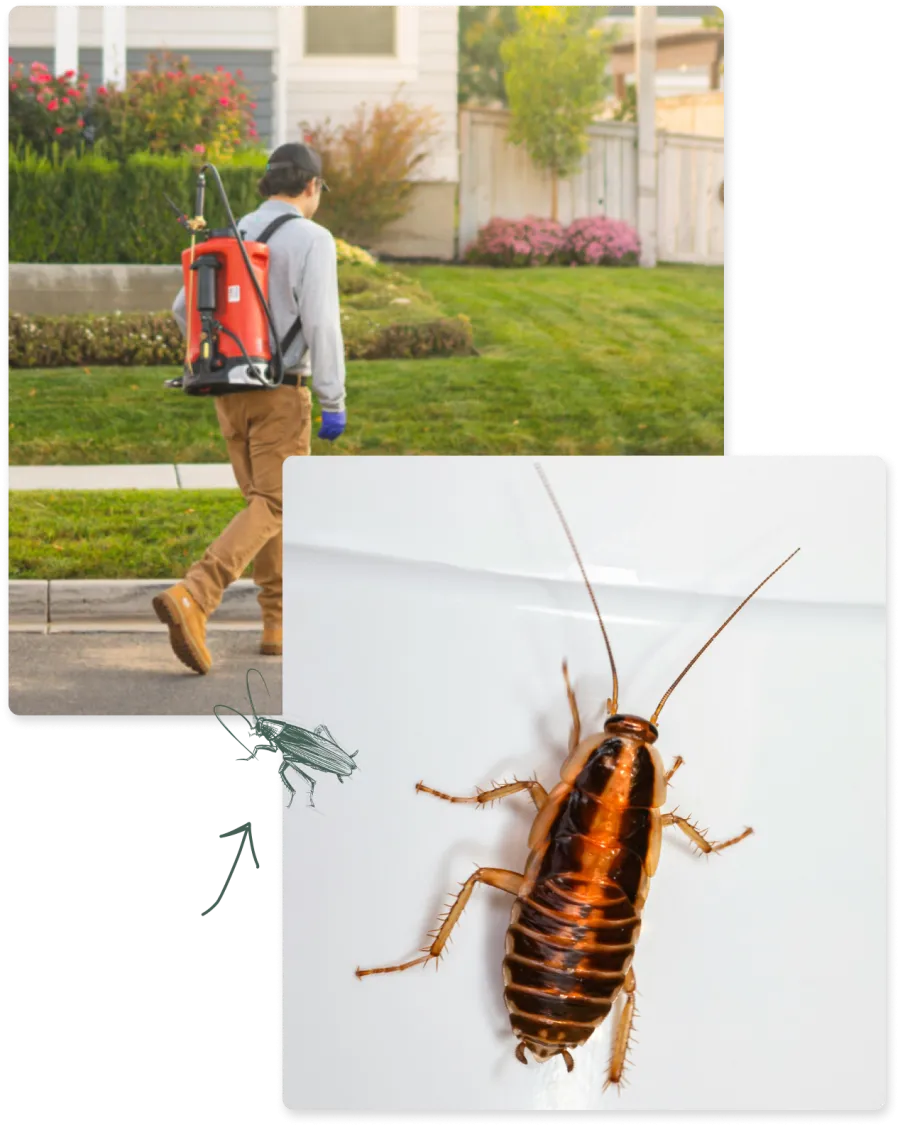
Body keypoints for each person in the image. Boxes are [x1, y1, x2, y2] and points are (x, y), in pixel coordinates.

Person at [152, 142, 346, 675]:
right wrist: (333, 399)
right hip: (281, 392)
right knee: (279, 505)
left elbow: (179, 308)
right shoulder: (312, 239)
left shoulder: (231, 234)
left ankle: (276, 625)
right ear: (311, 187)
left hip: (229, 393)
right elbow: (323, 324)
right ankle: (196, 593)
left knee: (264, 508)